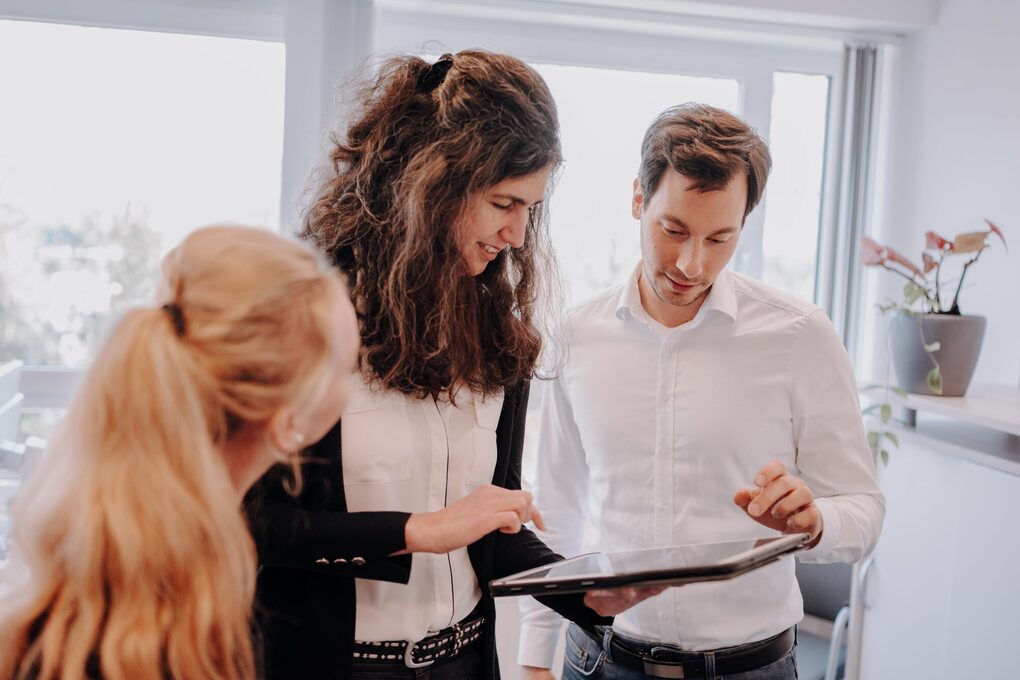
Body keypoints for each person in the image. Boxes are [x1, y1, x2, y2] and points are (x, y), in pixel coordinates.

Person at [244, 50, 655, 680]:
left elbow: (488, 525)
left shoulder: (502, 340)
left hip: (465, 662)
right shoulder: (303, 321)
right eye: (502, 203)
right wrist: (415, 530)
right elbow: (256, 523)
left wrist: (582, 593)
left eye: (530, 209)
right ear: (431, 185)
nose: (518, 234)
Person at [517, 104, 885, 680]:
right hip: (597, 662)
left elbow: (864, 512)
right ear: (638, 198)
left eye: (720, 237)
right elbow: (558, 510)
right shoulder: (575, 337)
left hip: (751, 668)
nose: (692, 263)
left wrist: (814, 522)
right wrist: (534, 660)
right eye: (674, 230)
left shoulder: (799, 335)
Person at [0, 225, 360, 680]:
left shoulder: (135, 538)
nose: (352, 393)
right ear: (288, 423)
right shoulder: (162, 605)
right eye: (347, 371)